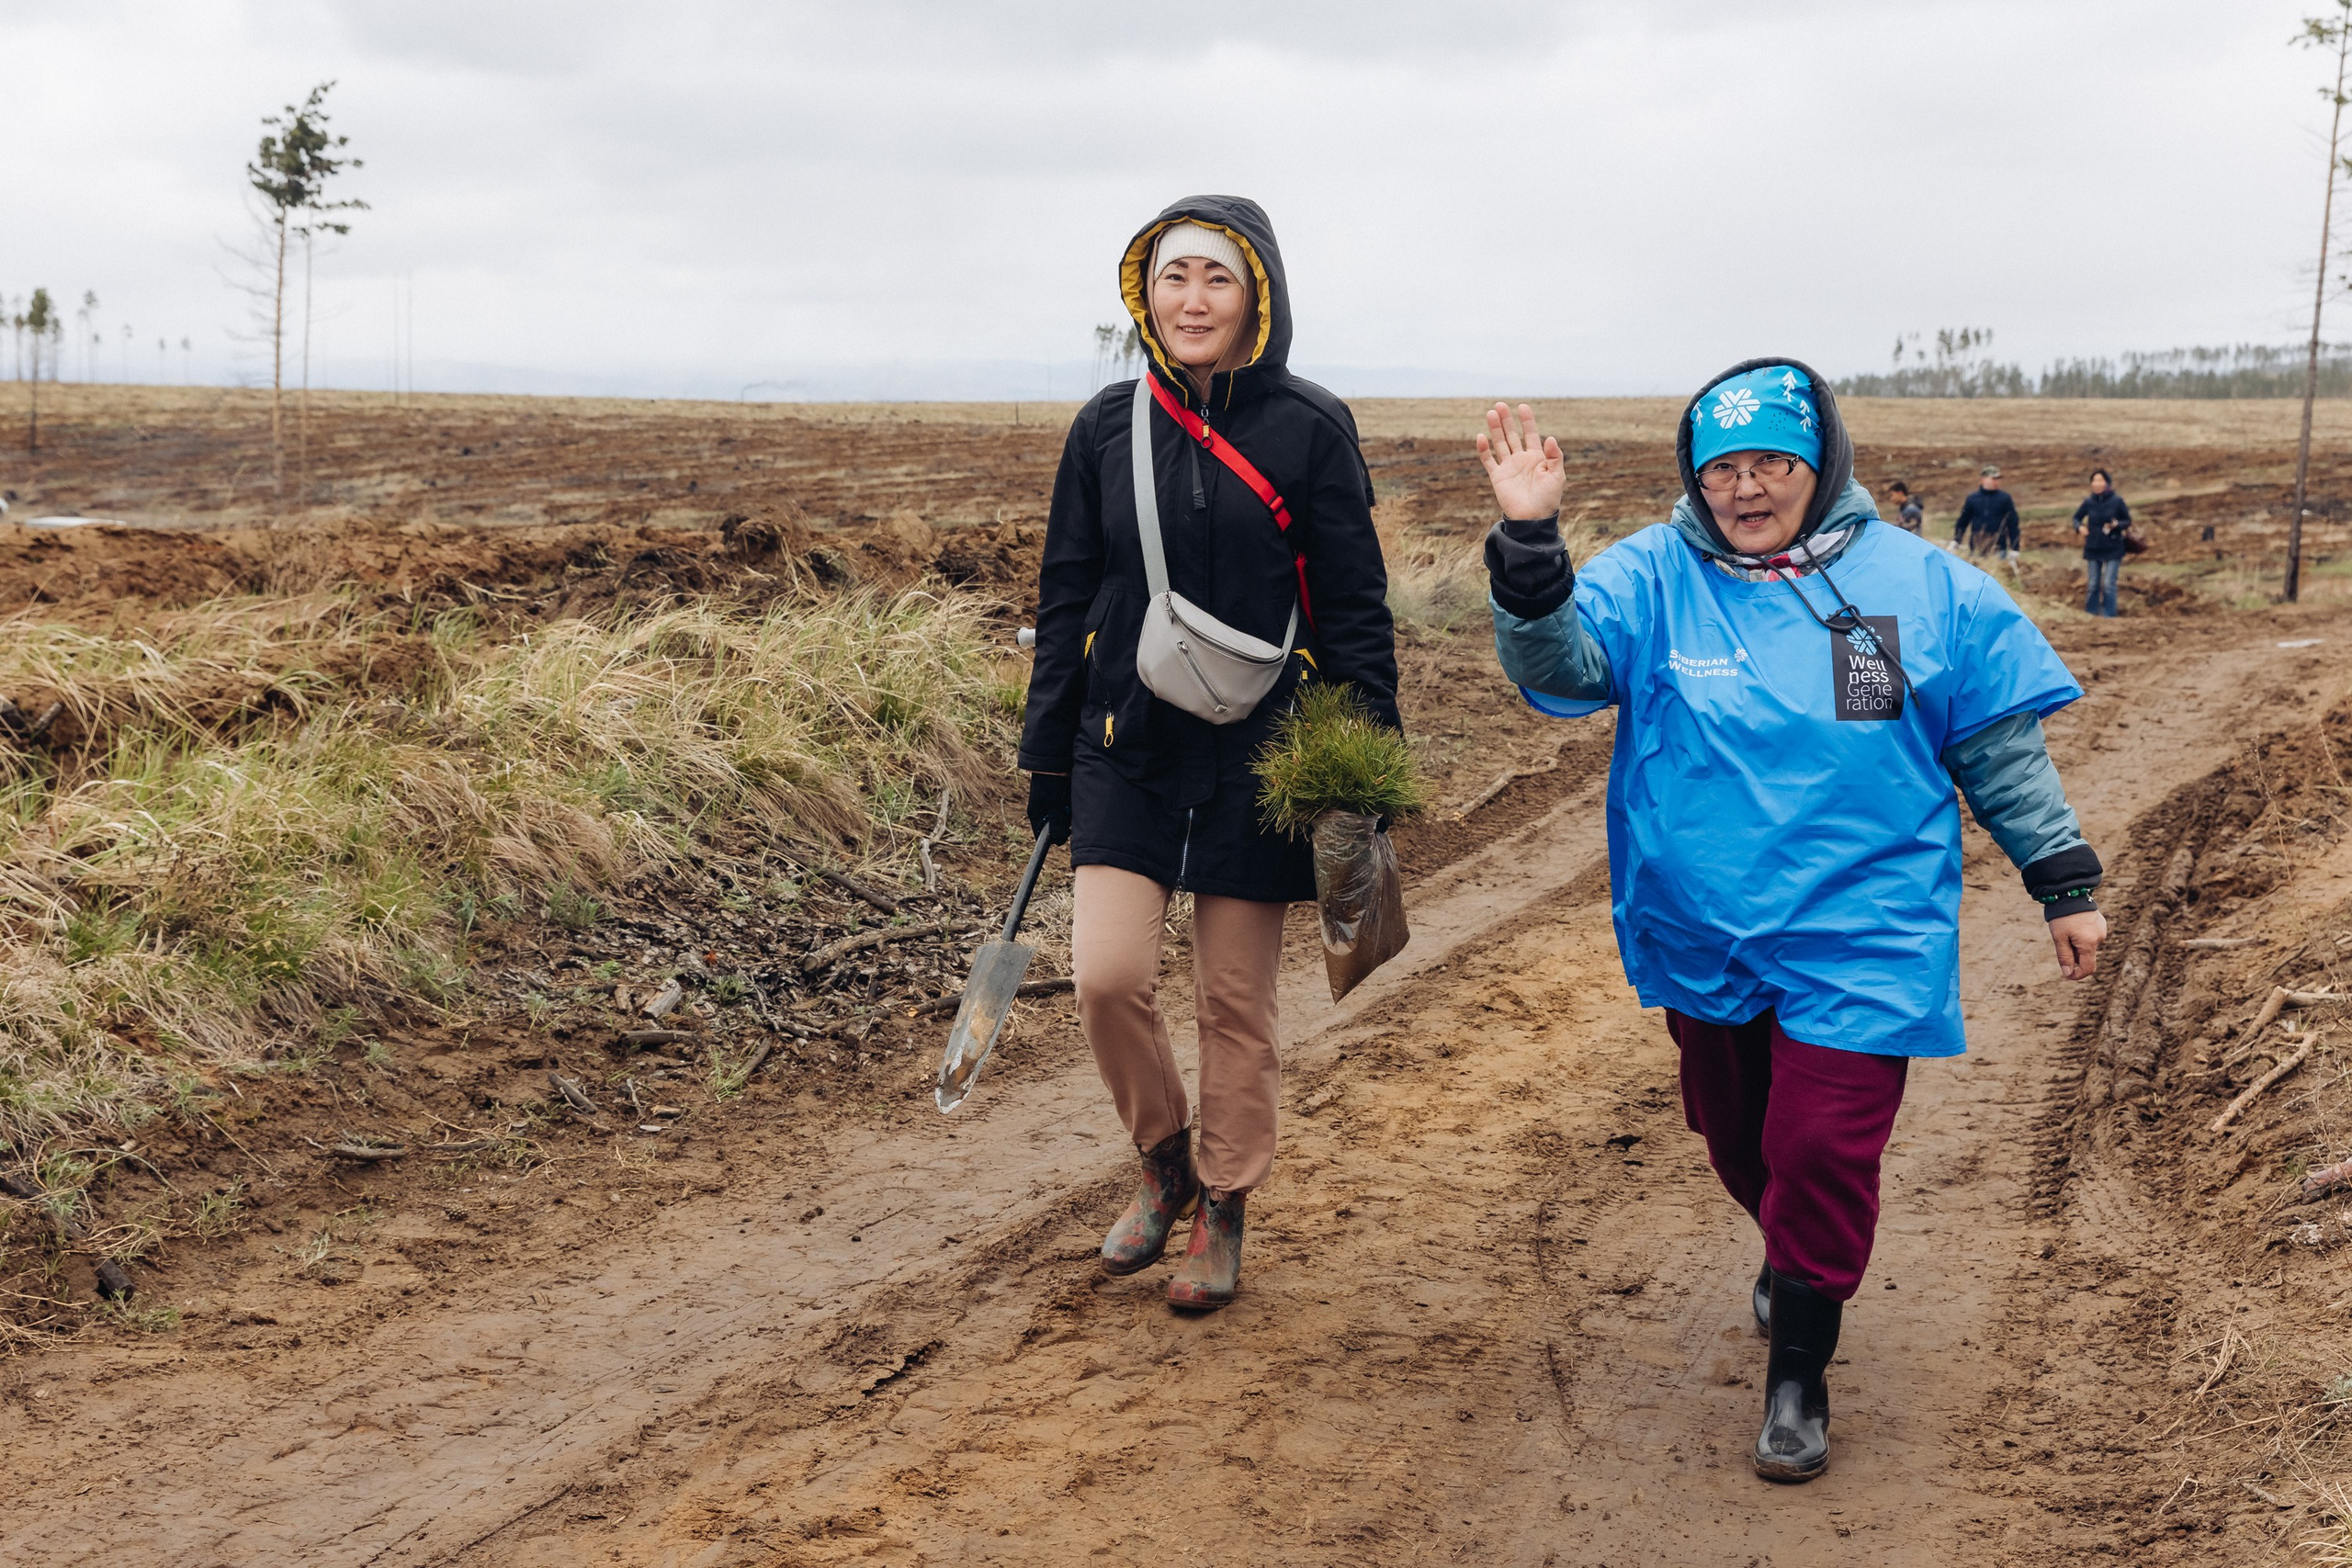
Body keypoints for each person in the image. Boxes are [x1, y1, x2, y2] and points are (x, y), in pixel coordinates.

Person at [1475, 358, 2107, 1483]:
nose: (1745, 489)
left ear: (1821, 463)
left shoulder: (1917, 586)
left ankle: (1799, 1373)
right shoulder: (1654, 576)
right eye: (1721, 467)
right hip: (1702, 923)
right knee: (1740, 1140)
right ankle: (1789, 1248)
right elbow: (1562, 664)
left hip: (1866, 926)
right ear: (1693, 475)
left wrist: (2062, 882)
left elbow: (1996, 749)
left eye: (1771, 462)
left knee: (1818, 1148)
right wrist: (1529, 548)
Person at [1018, 197, 1399, 1312]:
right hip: (1124, 745)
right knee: (1107, 978)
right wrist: (1047, 753)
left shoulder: (1311, 428)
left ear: (1257, 300)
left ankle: (1224, 1201)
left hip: (1262, 754)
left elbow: (1355, 610)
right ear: (1148, 292)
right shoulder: (1103, 426)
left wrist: (1363, 765)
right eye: (1175, 277)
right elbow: (1065, 595)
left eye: (1217, 281)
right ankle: (1163, 1158)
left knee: (1236, 1002)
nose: (1193, 300)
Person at [2073, 468, 2132, 617]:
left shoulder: (2117, 501)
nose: (2097, 484)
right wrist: (2080, 527)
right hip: (2093, 547)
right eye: (2094, 481)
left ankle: (2109, 616)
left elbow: (2127, 521)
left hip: (2113, 547)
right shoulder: (2088, 502)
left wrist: (2117, 524)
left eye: (2100, 480)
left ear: (2107, 483)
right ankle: (2091, 615)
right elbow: (2076, 518)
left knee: (2109, 585)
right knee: (2093, 585)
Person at [1953, 465, 2019, 561]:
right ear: (1983, 479)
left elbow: (2013, 524)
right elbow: (1963, 521)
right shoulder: (1973, 499)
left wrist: (2015, 548)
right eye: (1993, 479)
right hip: (1976, 549)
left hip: (1998, 549)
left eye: (1998, 479)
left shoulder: (2005, 499)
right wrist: (1956, 541)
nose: (1997, 481)